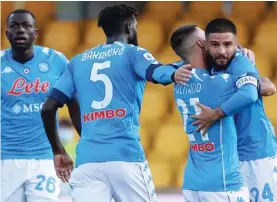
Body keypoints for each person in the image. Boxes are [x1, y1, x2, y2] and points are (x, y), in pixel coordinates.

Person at [40, 4, 185, 202]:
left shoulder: (78, 61)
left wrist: (59, 151)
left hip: (87, 163)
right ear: (128, 27)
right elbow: (158, 74)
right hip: (125, 158)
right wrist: (182, 67)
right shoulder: (133, 53)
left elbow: (48, 107)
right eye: (135, 26)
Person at [172, 18, 277, 202]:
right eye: (213, 44)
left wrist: (217, 112)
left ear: (236, 44)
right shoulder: (198, 68)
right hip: (228, 160)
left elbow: (268, 87)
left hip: (255, 150)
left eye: (228, 44)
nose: (221, 50)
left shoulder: (238, 61)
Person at [1, 9, 81, 202]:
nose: (20, 30)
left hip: (45, 157)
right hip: (5, 157)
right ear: (7, 34)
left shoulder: (56, 61)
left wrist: (86, 138)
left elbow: (74, 102)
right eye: (14, 26)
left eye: (26, 26)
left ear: (35, 33)